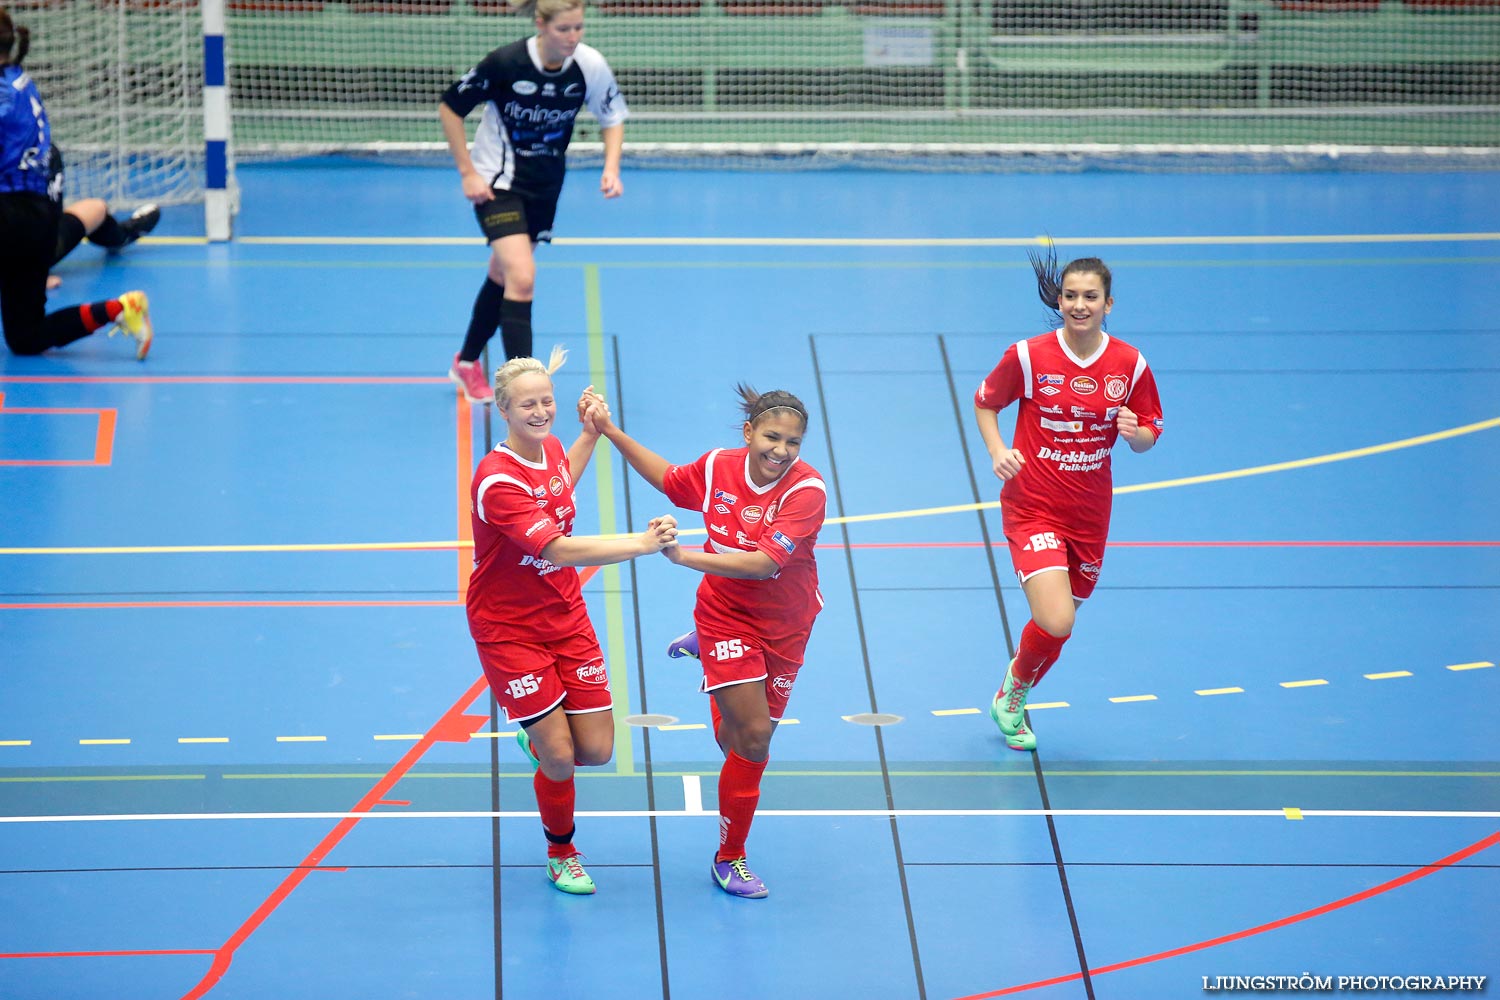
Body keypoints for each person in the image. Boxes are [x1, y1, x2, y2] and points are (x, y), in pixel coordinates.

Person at [587, 384, 827, 899]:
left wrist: (684, 556)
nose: (781, 452)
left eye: (793, 443)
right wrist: (608, 431)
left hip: (786, 624)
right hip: (725, 613)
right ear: (748, 433)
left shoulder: (807, 493)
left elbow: (765, 564)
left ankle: (712, 659)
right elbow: (673, 482)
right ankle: (730, 857)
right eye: (771, 438)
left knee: (734, 744)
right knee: (756, 739)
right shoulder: (720, 466)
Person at [467, 346, 677, 895]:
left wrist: (592, 432)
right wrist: (641, 542)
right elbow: (557, 550)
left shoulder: (552, 447)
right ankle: (562, 851)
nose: (539, 412)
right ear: (503, 410)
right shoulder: (496, 479)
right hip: (508, 626)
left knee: (597, 752)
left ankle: (537, 738)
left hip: (564, 615)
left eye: (547, 402)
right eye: (527, 405)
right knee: (561, 757)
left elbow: (560, 481)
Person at [972, 245, 1164, 752]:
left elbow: (1150, 433)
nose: (1080, 304)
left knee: (1060, 624)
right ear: (1059, 300)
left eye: (1091, 296)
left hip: (1090, 510)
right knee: (1057, 618)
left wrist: (1133, 432)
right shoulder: (1029, 355)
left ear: (1109, 304)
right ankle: (1014, 693)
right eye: (1071, 295)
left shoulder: (1130, 364)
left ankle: (1013, 682)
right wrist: (998, 451)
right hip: (1032, 503)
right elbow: (986, 402)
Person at [438, 0, 627, 404]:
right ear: (541, 25)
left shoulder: (589, 65)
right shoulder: (506, 63)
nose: (573, 37)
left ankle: (467, 363)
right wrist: (467, 172)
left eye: (579, 28)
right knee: (522, 277)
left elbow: (612, 117)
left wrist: (611, 168)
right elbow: (451, 107)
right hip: (497, 182)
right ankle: (521, 389)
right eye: (564, 30)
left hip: (545, 185)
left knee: (503, 274)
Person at [0, 8, 152, 359]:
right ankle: (121, 309)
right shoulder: (17, 78)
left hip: (13, 217)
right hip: (36, 213)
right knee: (26, 338)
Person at [47, 147, 160, 289]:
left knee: (96, 208)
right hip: (22, 259)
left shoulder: (44, 150)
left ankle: (120, 237)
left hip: (34, 249)